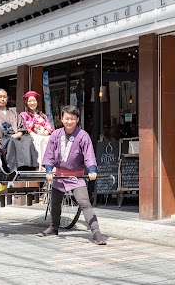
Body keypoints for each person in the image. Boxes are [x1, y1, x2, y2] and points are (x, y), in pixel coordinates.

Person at [38, 105, 106, 245]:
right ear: (62, 119)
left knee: (84, 203)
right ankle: (53, 227)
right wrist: (49, 170)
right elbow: (49, 154)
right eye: (67, 118)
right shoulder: (56, 134)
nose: (69, 121)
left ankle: (96, 232)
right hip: (59, 175)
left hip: (76, 176)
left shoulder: (83, 135)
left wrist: (92, 170)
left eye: (72, 119)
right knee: (55, 203)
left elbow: (89, 155)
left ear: (77, 120)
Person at [0, 88, 38, 171]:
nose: (2, 99)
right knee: (12, 141)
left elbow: (21, 128)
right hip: (2, 139)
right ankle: (15, 167)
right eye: (0, 97)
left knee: (28, 140)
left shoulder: (13, 114)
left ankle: (30, 167)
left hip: (16, 136)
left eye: (4, 97)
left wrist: (19, 134)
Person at [19, 91, 54, 168]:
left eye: (34, 100)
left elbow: (49, 126)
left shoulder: (42, 115)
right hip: (32, 135)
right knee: (38, 140)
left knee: (50, 140)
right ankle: (40, 165)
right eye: (30, 101)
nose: (32, 103)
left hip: (44, 135)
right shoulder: (23, 115)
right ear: (26, 103)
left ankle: (49, 165)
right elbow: (25, 127)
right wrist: (33, 132)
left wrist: (46, 131)